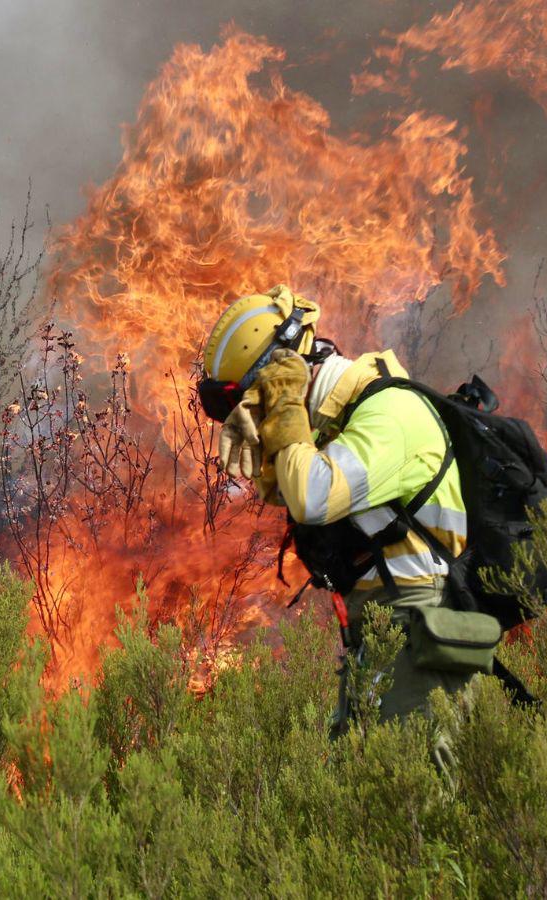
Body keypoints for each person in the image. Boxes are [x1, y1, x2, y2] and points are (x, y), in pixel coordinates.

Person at [198, 285, 496, 734]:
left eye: (257, 398)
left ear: (287, 374)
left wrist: (282, 404)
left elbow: (313, 496)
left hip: (418, 619)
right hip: (379, 624)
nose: (259, 416)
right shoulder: (342, 422)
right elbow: (284, 491)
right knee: (362, 785)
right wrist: (275, 429)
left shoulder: (391, 411)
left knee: (413, 790)